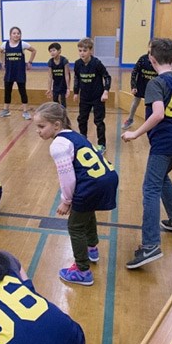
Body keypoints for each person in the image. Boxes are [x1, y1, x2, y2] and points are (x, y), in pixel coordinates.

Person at [121, 38, 172, 269]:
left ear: (152, 60)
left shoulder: (155, 83)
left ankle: (150, 245)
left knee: (150, 188)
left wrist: (135, 133)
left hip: (165, 142)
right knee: (162, 179)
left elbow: (158, 114)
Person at [34, 102, 119, 286]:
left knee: (75, 226)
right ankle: (92, 248)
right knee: (86, 214)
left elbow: (68, 179)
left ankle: (82, 271)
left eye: (41, 126)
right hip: (107, 177)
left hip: (92, 184)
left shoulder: (58, 145)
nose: (38, 131)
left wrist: (66, 201)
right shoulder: (74, 135)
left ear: (57, 125)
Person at [73, 37, 112, 153]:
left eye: (84, 51)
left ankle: (101, 144)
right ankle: (83, 140)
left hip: (97, 97)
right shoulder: (77, 64)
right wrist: (76, 92)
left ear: (90, 51)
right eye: (80, 50)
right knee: (82, 119)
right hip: (85, 97)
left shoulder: (96, 63)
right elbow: (77, 78)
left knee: (98, 121)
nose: (82, 53)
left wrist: (106, 91)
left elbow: (107, 77)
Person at [0, 26, 36, 120]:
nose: (16, 35)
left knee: (22, 91)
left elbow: (34, 50)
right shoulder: (5, 45)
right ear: (10, 35)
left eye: (18, 33)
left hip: (20, 72)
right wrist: (2, 62)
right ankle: (6, 110)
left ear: (20, 35)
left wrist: (30, 62)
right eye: (14, 33)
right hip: (9, 72)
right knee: (7, 91)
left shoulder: (23, 44)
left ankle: (25, 111)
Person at [122, 40, 156, 131]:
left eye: (154, 47)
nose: (152, 49)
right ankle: (130, 119)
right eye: (150, 46)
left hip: (153, 88)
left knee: (153, 106)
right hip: (141, 85)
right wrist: (133, 86)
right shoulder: (143, 59)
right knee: (135, 103)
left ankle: (152, 123)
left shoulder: (159, 61)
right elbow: (134, 72)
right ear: (148, 47)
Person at [45, 42, 71, 108]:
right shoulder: (50, 62)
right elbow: (50, 76)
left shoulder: (64, 61)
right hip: (56, 84)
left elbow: (67, 75)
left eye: (54, 50)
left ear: (59, 51)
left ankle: (64, 115)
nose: (52, 52)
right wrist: (49, 89)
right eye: (50, 51)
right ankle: (58, 111)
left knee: (63, 101)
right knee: (55, 100)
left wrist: (68, 88)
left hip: (63, 84)